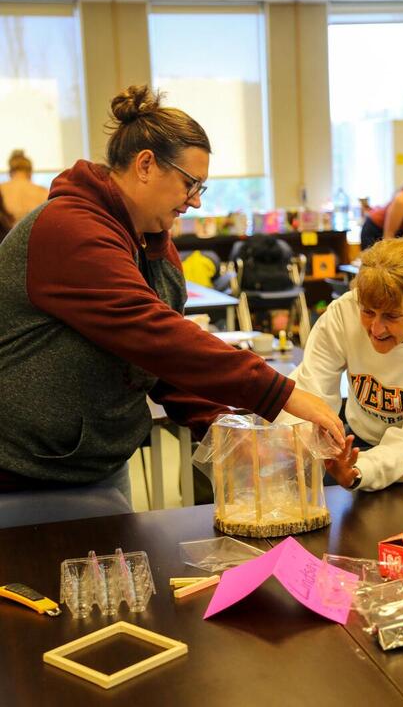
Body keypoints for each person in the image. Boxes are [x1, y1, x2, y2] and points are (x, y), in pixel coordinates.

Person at [0, 84, 344, 504]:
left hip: (94, 465)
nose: (194, 202)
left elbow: (165, 364)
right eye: (190, 183)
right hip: (22, 472)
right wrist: (280, 393)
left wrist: (225, 426)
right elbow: (154, 332)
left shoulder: (156, 249)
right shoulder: (67, 229)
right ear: (146, 164)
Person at [281, 238, 403, 491]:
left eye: (391, 316)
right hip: (365, 440)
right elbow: (313, 396)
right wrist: (294, 451)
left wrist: (361, 471)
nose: (376, 329)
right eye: (368, 312)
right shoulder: (343, 314)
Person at [0, 150, 49, 224]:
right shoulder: (43, 192)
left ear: (10, 172)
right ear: (30, 172)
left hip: (6, 234)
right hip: (33, 234)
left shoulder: (1, 190)